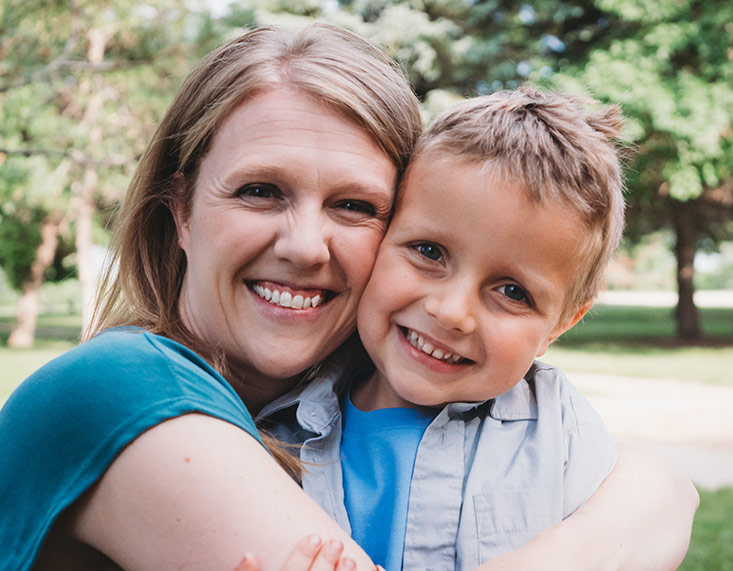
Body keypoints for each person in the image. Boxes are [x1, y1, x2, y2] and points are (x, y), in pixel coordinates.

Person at [0, 23, 697, 571]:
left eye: (355, 205)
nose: (306, 245)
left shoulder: (316, 415)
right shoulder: (123, 386)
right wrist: (629, 518)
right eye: (260, 190)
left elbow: (653, 488)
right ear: (179, 209)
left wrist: (651, 496)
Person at [258, 87, 642, 570]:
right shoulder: (275, 430)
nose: (452, 312)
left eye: (512, 291)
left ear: (561, 324)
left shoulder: (565, 441)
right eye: (429, 252)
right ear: (381, 236)